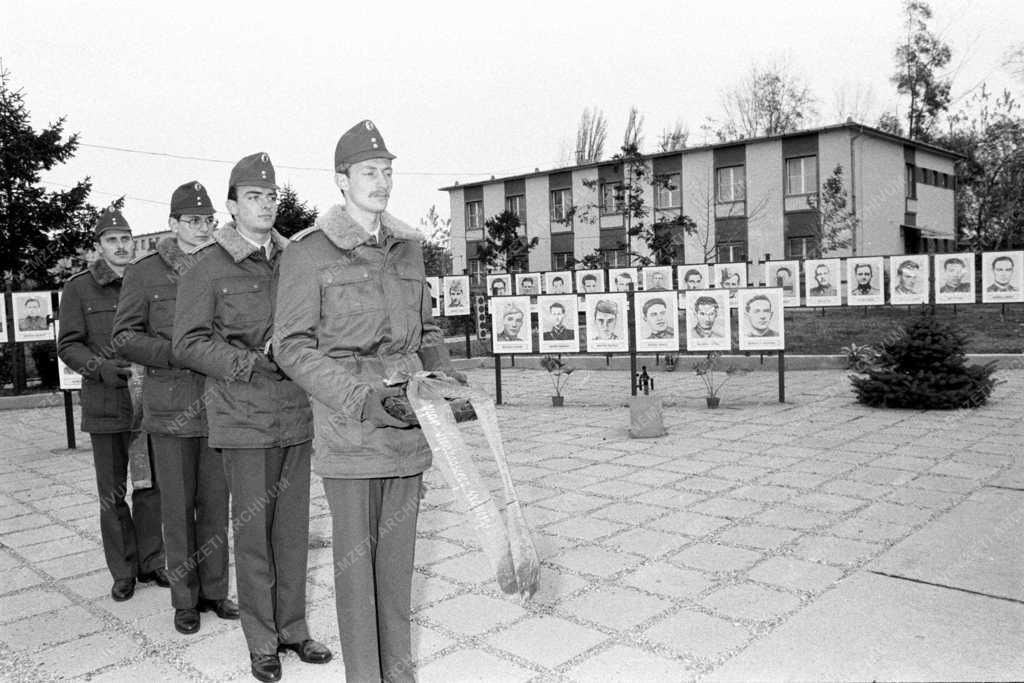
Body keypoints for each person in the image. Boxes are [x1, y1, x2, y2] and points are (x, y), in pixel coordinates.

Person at [274, 120, 462, 683]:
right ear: (341, 179)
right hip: (351, 429)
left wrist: (447, 382)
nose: (381, 182)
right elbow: (290, 345)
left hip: (408, 426)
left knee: (397, 570)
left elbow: (425, 330)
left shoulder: (408, 249)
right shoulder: (310, 253)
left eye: (387, 171)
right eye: (368, 172)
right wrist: (361, 399)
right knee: (357, 577)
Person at [173, 153, 331, 682]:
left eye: (271, 196)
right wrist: (247, 361)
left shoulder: (297, 259)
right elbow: (188, 343)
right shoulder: (207, 266)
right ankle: (261, 640)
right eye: (254, 197)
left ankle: (294, 629)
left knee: (292, 531)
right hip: (243, 416)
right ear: (233, 205)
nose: (265, 205)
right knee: (253, 534)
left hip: (296, 414)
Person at [112, 181, 236, 635]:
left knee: (216, 504)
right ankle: (184, 600)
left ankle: (216, 592)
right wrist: (174, 353)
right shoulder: (145, 274)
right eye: (191, 220)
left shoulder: (226, 264)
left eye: (208, 220)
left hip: (221, 403)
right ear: (172, 224)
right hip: (170, 407)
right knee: (178, 508)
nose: (202, 228)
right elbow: (123, 336)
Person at [57, 207, 167, 603]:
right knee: (112, 493)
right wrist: (100, 368)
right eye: (112, 240)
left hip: (149, 405)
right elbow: (68, 343)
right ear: (99, 246)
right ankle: (123, 571)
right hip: (106, 404)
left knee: (149, 487)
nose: (121, 247)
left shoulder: (148, 281)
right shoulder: (79, 288)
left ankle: (152, 562)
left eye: (126, 239)